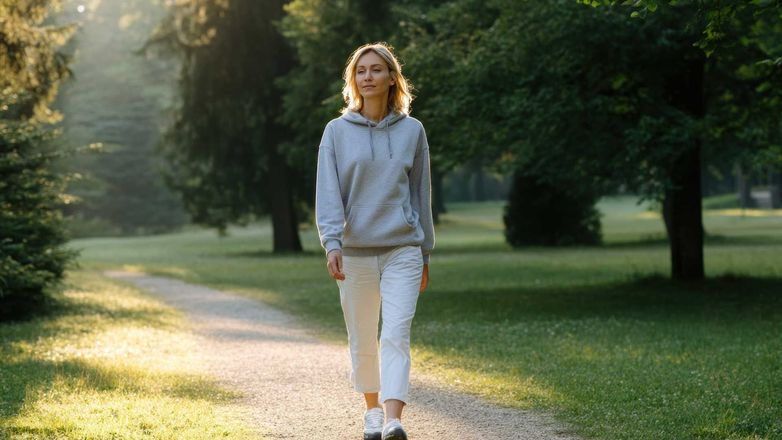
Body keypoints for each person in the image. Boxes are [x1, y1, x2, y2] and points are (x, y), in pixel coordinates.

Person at [315, 41, 435, 440]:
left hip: (403, 249)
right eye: (361, 71)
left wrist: (425, 251)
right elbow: (328, 193)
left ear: (391, 78)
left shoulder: (412, 131)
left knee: (396, 333)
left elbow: (421, 195)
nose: (368, 77)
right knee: (363, 335)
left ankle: (393, 418)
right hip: (355, 253)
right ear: (354, 80)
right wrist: (332, 243)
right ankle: (371, 410)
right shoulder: (335, 132)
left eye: (376, 70)